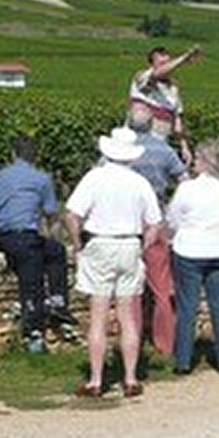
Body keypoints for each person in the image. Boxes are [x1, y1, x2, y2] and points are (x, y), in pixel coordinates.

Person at [64, 126, 164, 398]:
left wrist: (77, 244)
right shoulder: (139, 182)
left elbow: (72, 215)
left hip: (100, 242)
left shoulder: (95, 178)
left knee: (98, 315)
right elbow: (155, 224)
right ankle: (130, 378)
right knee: (127, 316)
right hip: (129, 244)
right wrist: (142, 245)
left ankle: (96, 380)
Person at [0, 135, 75, 353]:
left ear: (13, 154)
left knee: (46, 253)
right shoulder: (42, 179)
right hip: (26, 236)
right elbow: (52, 216)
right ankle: (36, 326)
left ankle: (54, 302)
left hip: (4, 236)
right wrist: (56, 237)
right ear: (35, 156)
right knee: (42, 264)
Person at [165, 141, 219, 376]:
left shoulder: (188, 188)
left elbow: (173, 218)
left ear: (206, 162)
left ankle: (184, 360)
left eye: (197, 158)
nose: (193, 162)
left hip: (190, 249)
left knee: (188, 306)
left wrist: (179, 232)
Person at [126, 107, 187, 359]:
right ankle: (165, 343)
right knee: (161, 286)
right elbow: (183, 179)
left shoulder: (122, 151)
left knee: (129, 287)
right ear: (152, 124)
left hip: (127, 220)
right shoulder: (163, 149)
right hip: (156, 218)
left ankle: (133, 340)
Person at [128, 44, 201, 159]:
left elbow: (177, 119)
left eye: (168, 63)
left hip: (160, 144)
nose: (168, 67)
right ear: (151, 65)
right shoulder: (142, 77)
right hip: (136, 143)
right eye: (161, 64)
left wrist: (184, 147)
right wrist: (184, 58)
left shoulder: (173, 88)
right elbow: (157, 74)